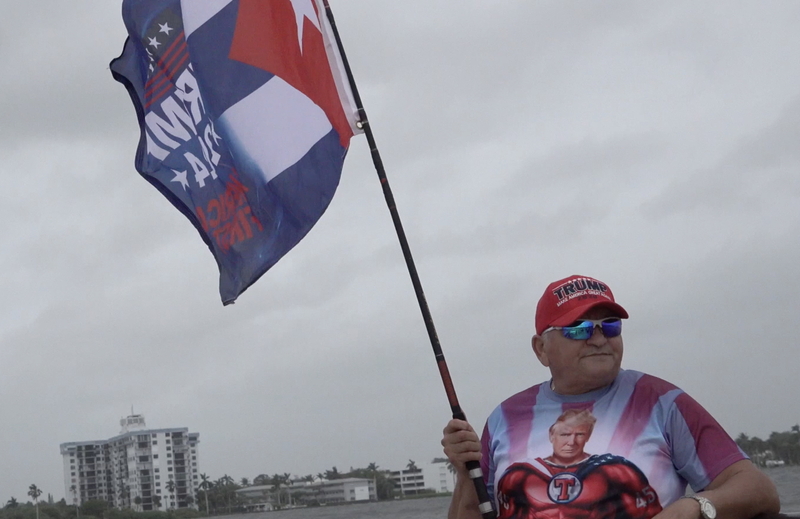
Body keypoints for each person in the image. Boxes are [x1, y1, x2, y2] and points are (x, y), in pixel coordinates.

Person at [442, 275, 780, 519]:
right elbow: (469, 512)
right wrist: (462, 471)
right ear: (541, 348)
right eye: (579, 329)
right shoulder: (503, 418)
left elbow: (757, 489)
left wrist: (695, 506)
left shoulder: (663, 403)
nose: (598, 338)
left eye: (610, 325)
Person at [497, 408, 662, 518]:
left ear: (588, 437)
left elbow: (650, 513)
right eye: (564, 434)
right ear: (551, 435)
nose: (571, 442)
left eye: (580, 434)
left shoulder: (616, 471)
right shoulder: (519, 475)